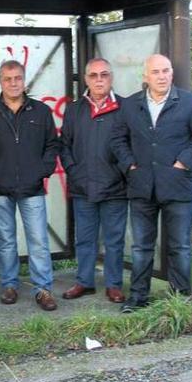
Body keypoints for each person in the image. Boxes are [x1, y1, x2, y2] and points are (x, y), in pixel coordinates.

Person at [110, 54, 192, 313]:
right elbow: (117, 139)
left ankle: (180, 298)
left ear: (172, 73)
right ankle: (137, 298)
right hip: (141, 186)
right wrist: (130, 165)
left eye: (166, 71)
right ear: (146, 76)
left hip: (178, 186)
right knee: (141, 247)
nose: (161, 76)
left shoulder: (190, 103)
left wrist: (183, 162)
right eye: (155, 72)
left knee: (179, 246)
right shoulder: (131, 105)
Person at [0, 60, 60, 311]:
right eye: (8, 79)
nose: (13, 83)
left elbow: (52, 145)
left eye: (17, 78)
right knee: (6, 240)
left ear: (24, 80)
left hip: (32, 188)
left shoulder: (40, 111)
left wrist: (42, 171)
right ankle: (9, 285)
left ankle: (43, 290)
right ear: (0, 81)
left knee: (38, 240)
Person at [59, 58, 128, 303]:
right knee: (85, 239)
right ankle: (84, 282)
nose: (99, 80)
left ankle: (114, 285)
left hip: (116, 187)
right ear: (86, 79)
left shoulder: (125, 107)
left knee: (114, 240)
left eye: (104, 75)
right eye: (94, 75)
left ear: (111, 78)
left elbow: (132, 146)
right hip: (82, 186)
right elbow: (64, 145)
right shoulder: (75, 109)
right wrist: (73, 170)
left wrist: (124, 172)